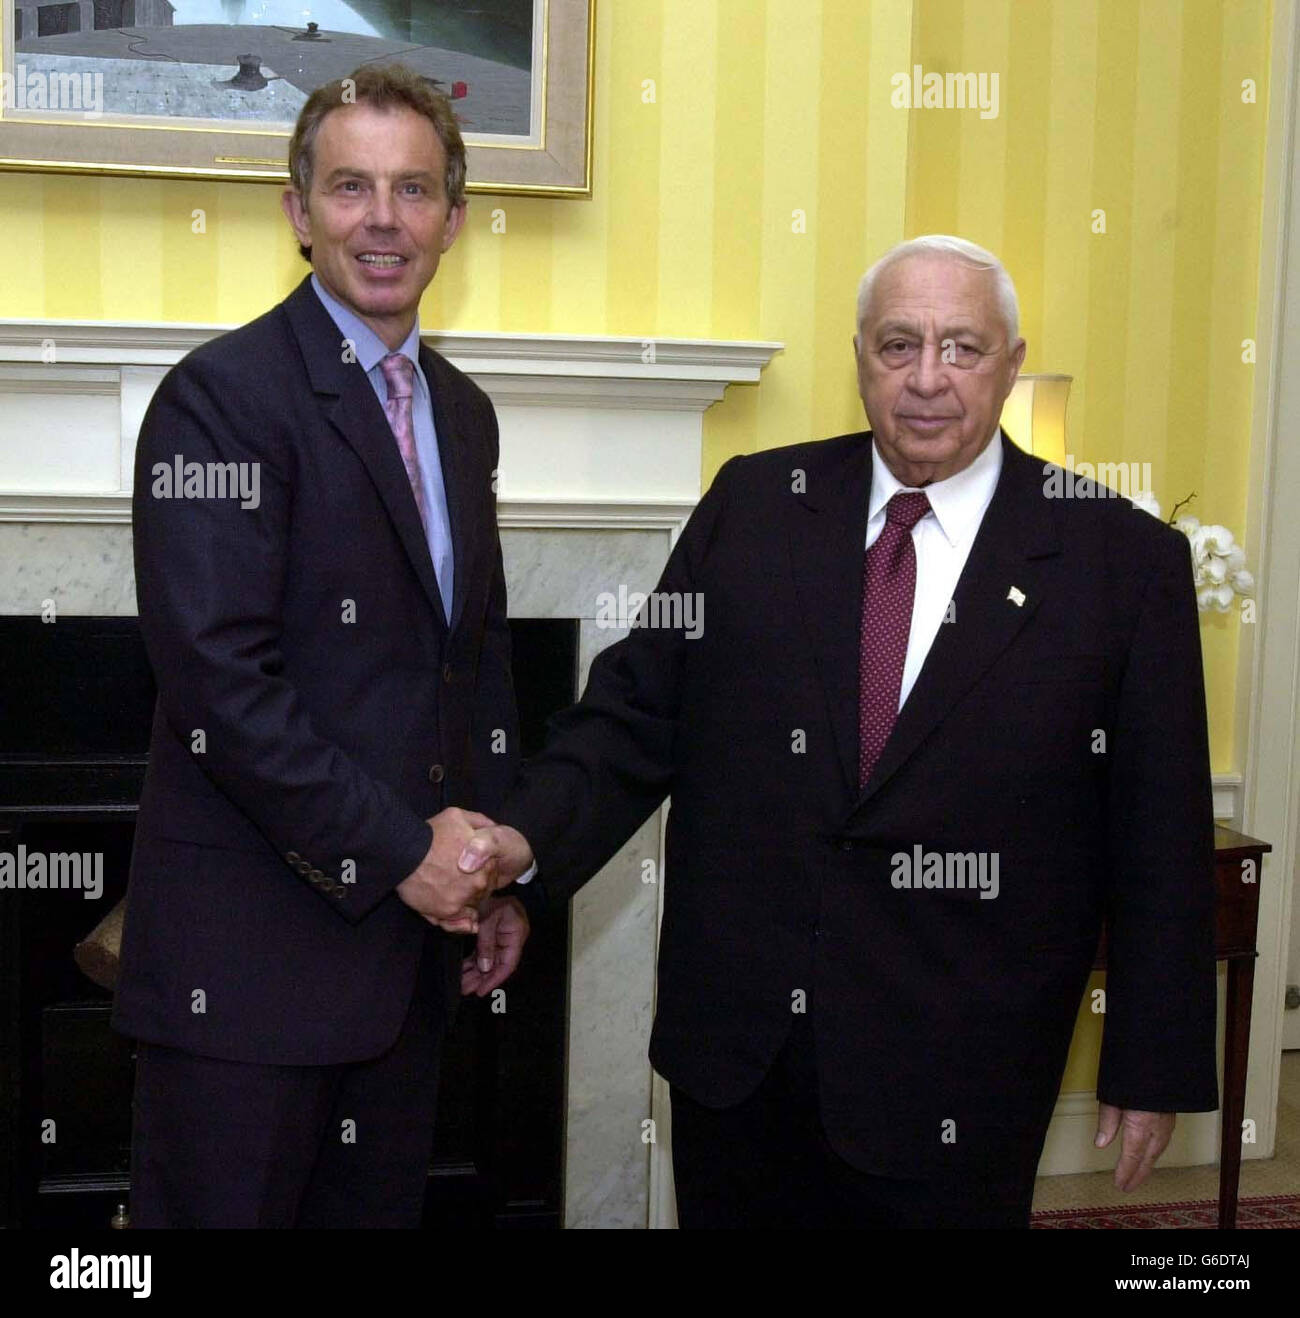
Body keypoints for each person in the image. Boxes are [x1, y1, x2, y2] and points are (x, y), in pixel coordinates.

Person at [458, 235, 1219, 1228]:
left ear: (1012, 361)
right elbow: (632, 715)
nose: (927, 380)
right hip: (739, 1059)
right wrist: (515, 848)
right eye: (897, 345)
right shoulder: (755, 506)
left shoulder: (1120, 561)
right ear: (859, 356)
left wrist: (1150, 1057)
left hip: (959, 1076)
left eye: (962, 347)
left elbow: (1158, 832)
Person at [112, 62, 534, 1229]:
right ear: (298, 212)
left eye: (413, 189)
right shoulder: (219, 400)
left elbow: (470, 664)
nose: (383, 220)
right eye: (350, 187)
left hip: (404, 967)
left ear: (454, 216)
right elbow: (218, 685)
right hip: (246, 980)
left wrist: (490, 867)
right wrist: (405, 847)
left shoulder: (462, 412)